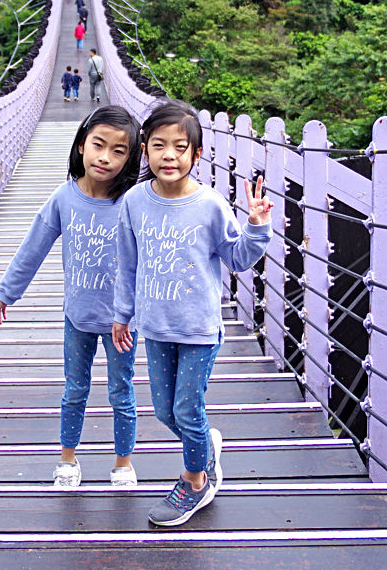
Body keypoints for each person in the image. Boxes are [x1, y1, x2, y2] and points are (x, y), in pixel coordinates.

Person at [112, 99, 272, 526]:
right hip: (157, 328)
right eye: (160, 145)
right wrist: (121, 314)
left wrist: (256, 226)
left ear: (196, 155)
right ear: (144, 149)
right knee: (167, 412)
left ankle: (195, 482)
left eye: (180, 147)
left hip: (200, 327)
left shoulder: (211, 205)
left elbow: (237, 259)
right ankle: (206, 449)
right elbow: (128, 264)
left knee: (186, 409)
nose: (169, 155)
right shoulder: (133, 202)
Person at [0, 107, 144, 488]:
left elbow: (159, 255)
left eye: (119, 151)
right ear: (80, 146)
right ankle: (68, 460)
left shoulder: (136, 202)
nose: (105, 157)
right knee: (74, 390)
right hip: (78, 316)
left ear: (132, 159)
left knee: (121, 392)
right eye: (98, 145)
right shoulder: (64, 198)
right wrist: (6, 293)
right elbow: (33, 247)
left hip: (123, 321)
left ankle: (122, 464)